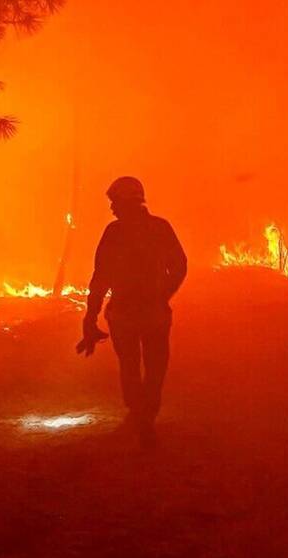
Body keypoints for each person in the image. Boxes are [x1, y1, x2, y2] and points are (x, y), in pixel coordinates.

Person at [76, 176, 187, 448]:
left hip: (124, 314)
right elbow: (180, 266)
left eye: (114, 202)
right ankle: (145, 415)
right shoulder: (160, 228)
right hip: (154, 314)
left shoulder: (114, 233)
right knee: (156, 367)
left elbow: (100, 277)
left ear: (126, 202)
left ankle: (140, 414)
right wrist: (164, 294)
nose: (112, 208)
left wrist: (91, 316)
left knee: (130, 367)